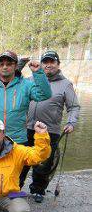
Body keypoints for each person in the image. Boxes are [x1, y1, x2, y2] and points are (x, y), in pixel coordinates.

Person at [0, 51, 52, 186]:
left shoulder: (26, 85)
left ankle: (12, 199)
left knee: (17, 174)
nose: (5, 67)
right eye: (1, 64)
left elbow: (44, 94)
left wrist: (38, 72)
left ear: (15, 66)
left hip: (17, 138)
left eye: (9, 64)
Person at [24, 51, 80, 202]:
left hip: (49, 130)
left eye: (52, 62)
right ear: (41, 64)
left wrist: (71, 122)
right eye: (45, 62)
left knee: (44, 163)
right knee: (22, 160)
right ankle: (14, 187)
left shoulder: (65, 84)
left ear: (58, 64)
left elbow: (73, 106)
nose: (48, 65)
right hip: (27, 127)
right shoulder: (30, 79)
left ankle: (38, 190)